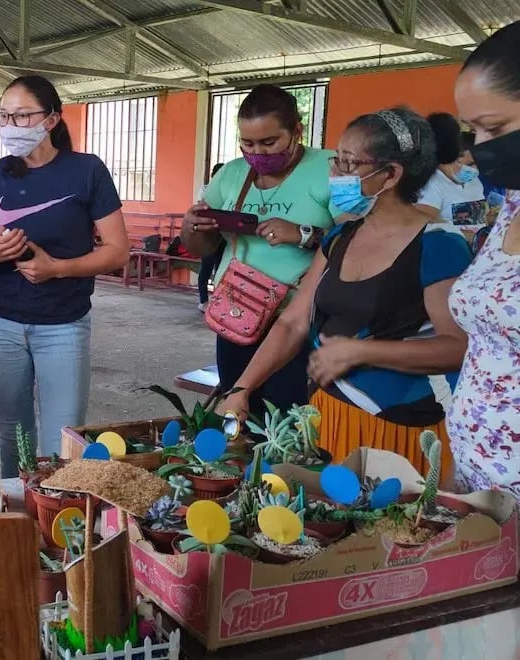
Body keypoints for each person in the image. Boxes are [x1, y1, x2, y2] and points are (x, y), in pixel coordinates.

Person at [220, 107, 471, 476]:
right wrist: (241, 389)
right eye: (336, 160)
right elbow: (293, 322)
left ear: (391, 175)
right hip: (331, 417)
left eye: (349, 164)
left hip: (402, 428)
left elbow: (458, 347)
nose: (334, 173)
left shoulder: (438, 244)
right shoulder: (340, 238)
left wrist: (360, 350)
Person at [0, 75, 129, 477]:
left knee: (63, 440)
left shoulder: (86, 171)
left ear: (51, 120)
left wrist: (57, 268)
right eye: (3, 116)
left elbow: (117, 251)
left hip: (63, 325)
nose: (8, 126)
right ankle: (15, 518)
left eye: (21, 116)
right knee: (13, 434)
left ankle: (56, 520)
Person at [181, 84, 338, 420]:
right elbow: (201, 247)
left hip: (298, 317)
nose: (258, 152)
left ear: (297, 131)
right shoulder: (232, 174)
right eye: (248, 143)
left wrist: (303, 234)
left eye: (270, 142)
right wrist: (192, 226)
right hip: (237, 312)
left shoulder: (329, 168)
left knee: (287, 417)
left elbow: (356, 241)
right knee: (236, 412)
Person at [449, 21, 520, 498]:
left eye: (493, 128)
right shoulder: (513, 201)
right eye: (472, 131)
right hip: (481, 491)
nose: (478, 149)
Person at [414, 113, 486, 226]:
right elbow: (424, 223)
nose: (475, 170)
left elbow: (478, 220)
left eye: (478, 164)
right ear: (453, 158)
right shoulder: (433, 184)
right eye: (470, 164)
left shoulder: (474, 182)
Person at [197, 162, 224, 312]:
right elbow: (202, 209)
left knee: (220, 268)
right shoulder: (206, 189)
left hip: (223, 235)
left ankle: (218, 301)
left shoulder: (229, 191)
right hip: (208, 235)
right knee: (206, 268)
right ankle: (203, 300)